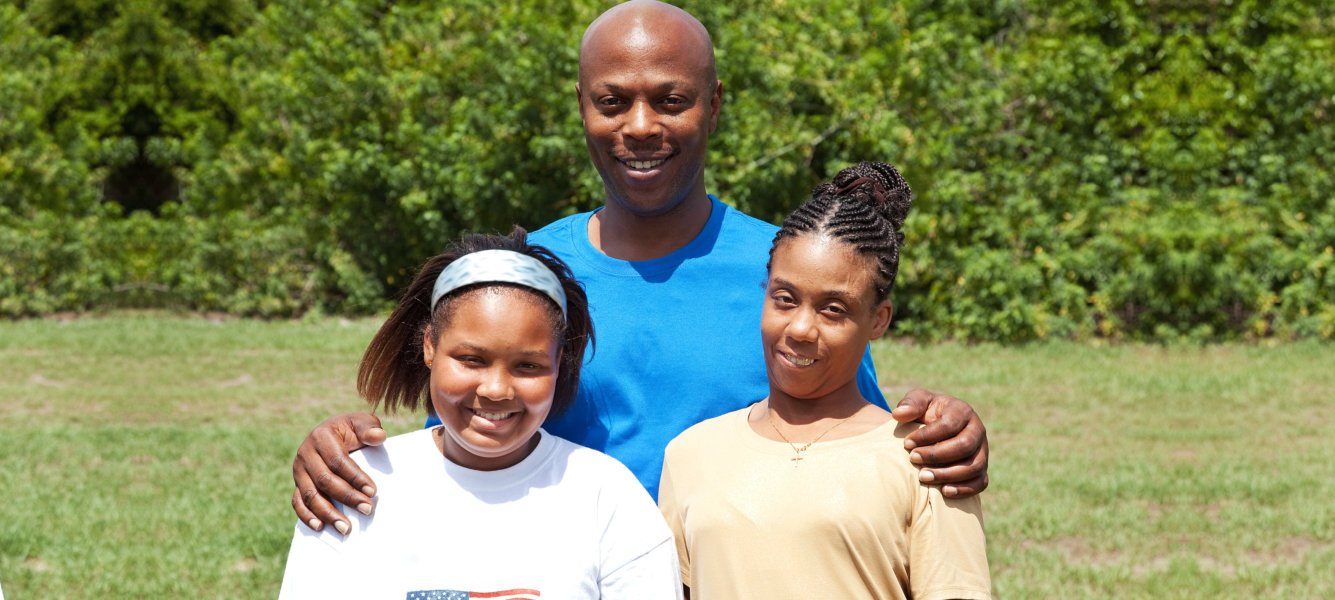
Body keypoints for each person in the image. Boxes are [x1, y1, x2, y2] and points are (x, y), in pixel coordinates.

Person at [290, 0, 989, 537]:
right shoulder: (526, 274)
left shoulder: (789, 277)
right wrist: (345, 452)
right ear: (583, 108)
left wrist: (943, 429)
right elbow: (464, 436)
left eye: (671, 99)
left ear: (713, 104)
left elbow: (858, 433)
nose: (641, 124)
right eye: (612, 100)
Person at [279, 229, 681, 599]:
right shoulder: (356, 484)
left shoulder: (606, 495)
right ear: (430, 347)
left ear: (560, 363)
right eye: (471, 359)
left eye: (528, 366)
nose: (496, 389)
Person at [658, 162, 991, 599]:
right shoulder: (690, 455)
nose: (799, 328)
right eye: (784, 298)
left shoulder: (924, 459)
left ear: (878, 320)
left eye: (833, 309)